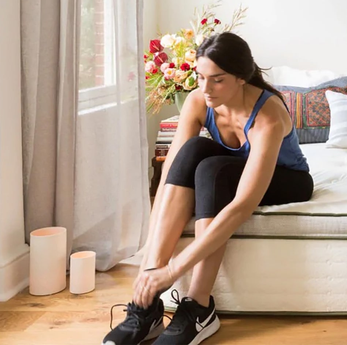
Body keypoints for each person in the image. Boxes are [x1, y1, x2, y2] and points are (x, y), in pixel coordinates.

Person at [103, 33, 314, 345]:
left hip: (287, 179)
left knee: (213, 170)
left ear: (241, 77)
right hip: (231, 169)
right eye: (201, 77)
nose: (205, 88)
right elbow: (169, 175)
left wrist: (174, 270)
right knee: (194, 152)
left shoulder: (267, 115)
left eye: (217, 80)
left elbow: (242, 206)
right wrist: (150, 264)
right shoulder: (199, 100)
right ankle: (147, 307)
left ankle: (199, 307)